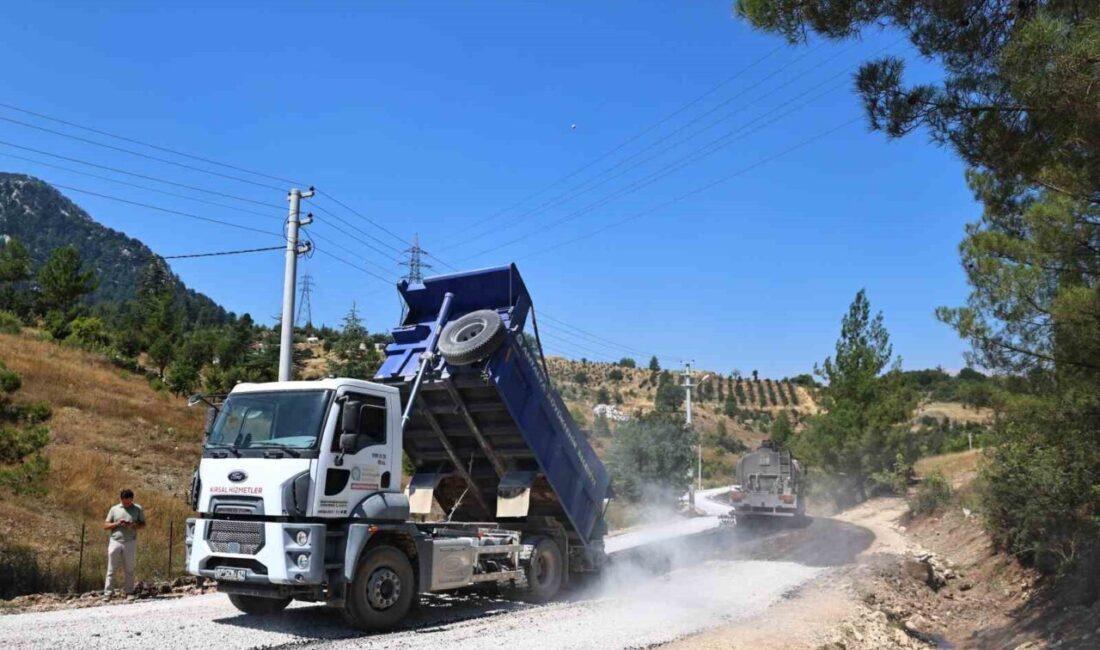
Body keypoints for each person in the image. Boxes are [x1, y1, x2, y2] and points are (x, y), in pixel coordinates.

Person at [103, 488, 145, 596]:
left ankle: (129, 592)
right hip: (115, 541)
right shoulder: (114, 509)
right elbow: (106, 525)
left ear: (132, 499)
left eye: (128, 501)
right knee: (111, 569)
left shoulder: (138, 509)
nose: (126, 503)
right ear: (121, 499)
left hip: (130, 541)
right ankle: (108, 593)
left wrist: (132, 525)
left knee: (129, 569)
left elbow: (143, 524)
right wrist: (117, 524)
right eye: (124, 501)